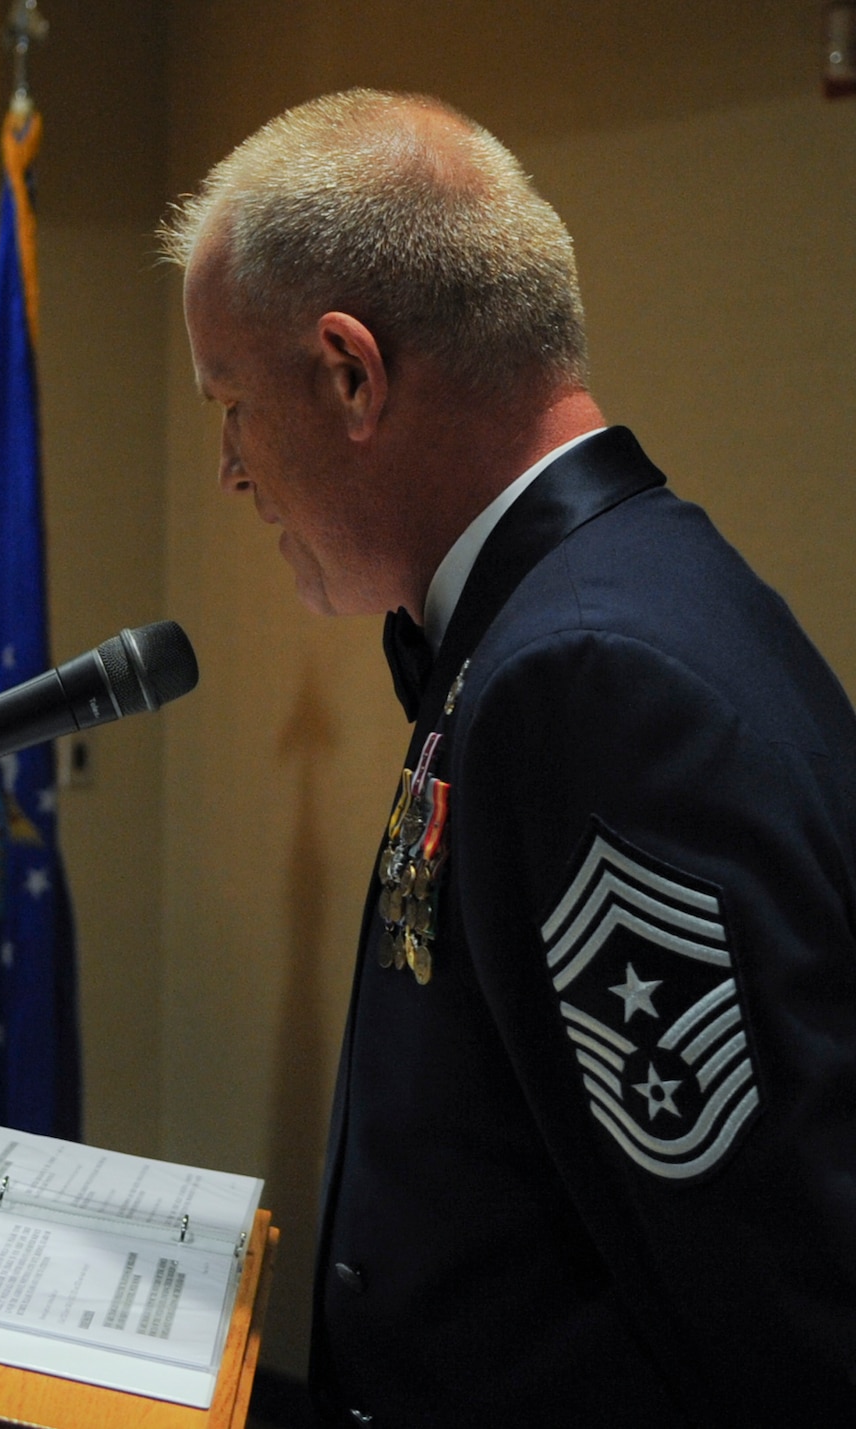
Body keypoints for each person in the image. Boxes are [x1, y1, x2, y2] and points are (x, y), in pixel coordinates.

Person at [164, 91, 856, 1426]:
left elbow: (774, 1299)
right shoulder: (581, 608)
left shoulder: (588, 676)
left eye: (233, 407)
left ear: (352, 374)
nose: (229, 472)